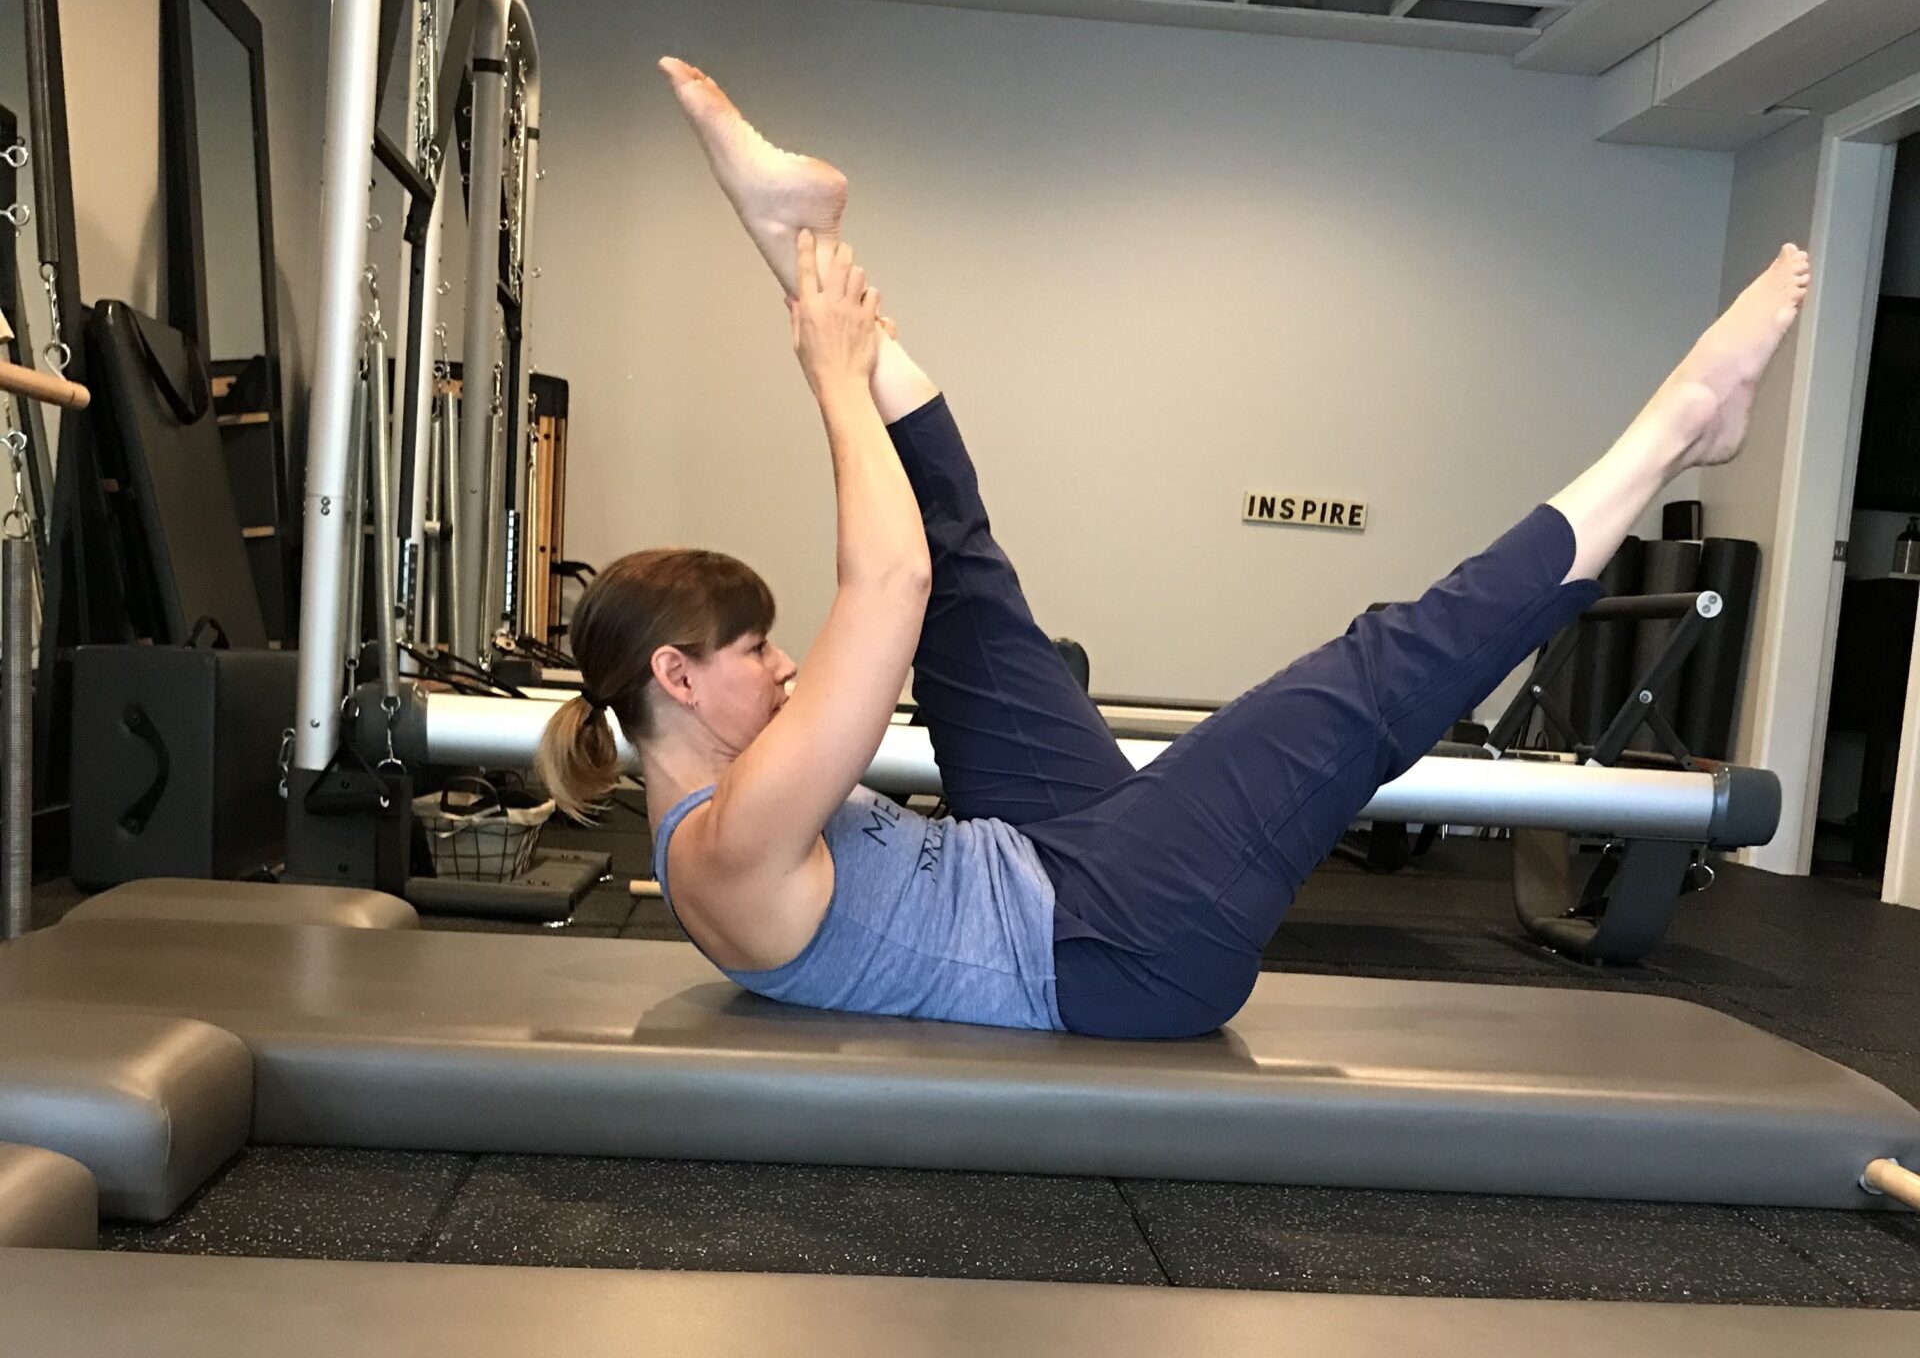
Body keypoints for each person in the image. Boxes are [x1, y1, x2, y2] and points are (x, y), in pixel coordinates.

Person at [539, 60, 1808, 1041]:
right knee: (1368, 676)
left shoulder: (726, 800)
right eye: (754, 649)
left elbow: (931, 569)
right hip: (1118, 946)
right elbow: (889, 579)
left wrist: (823, 321)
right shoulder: (727, 845)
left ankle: (791, 238)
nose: (781, 665)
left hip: (1035, 859)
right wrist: (829, 375)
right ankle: (1678, 430)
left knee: (971, 579)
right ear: (677, 678)